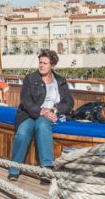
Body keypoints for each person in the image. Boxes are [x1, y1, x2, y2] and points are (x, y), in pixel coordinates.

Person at [8, 50, 73, 183]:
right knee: (22, 133)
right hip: (30, 113)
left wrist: (54, 110)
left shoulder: (60, 81)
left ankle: (46, 170)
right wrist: (42, 111)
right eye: (40, 62)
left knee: (43, 126)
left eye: (45, 63)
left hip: (49, 114)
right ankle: (14, 169)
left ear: (52, 66)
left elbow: (69, 103)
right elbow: (25, 101)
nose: (41, 65)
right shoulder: (30, 79)